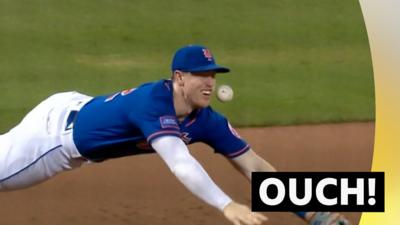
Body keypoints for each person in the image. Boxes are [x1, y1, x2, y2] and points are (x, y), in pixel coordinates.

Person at [0, 44, 351, 225]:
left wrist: (311, 211)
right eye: (202, 75)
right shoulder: (153, 103)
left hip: (71, 104)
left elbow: (255, 167)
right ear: (180, 77)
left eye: (213, 75)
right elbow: (179, 162)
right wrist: (225, 204)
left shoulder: (207, 120)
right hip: (50, 141)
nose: (210, 82)